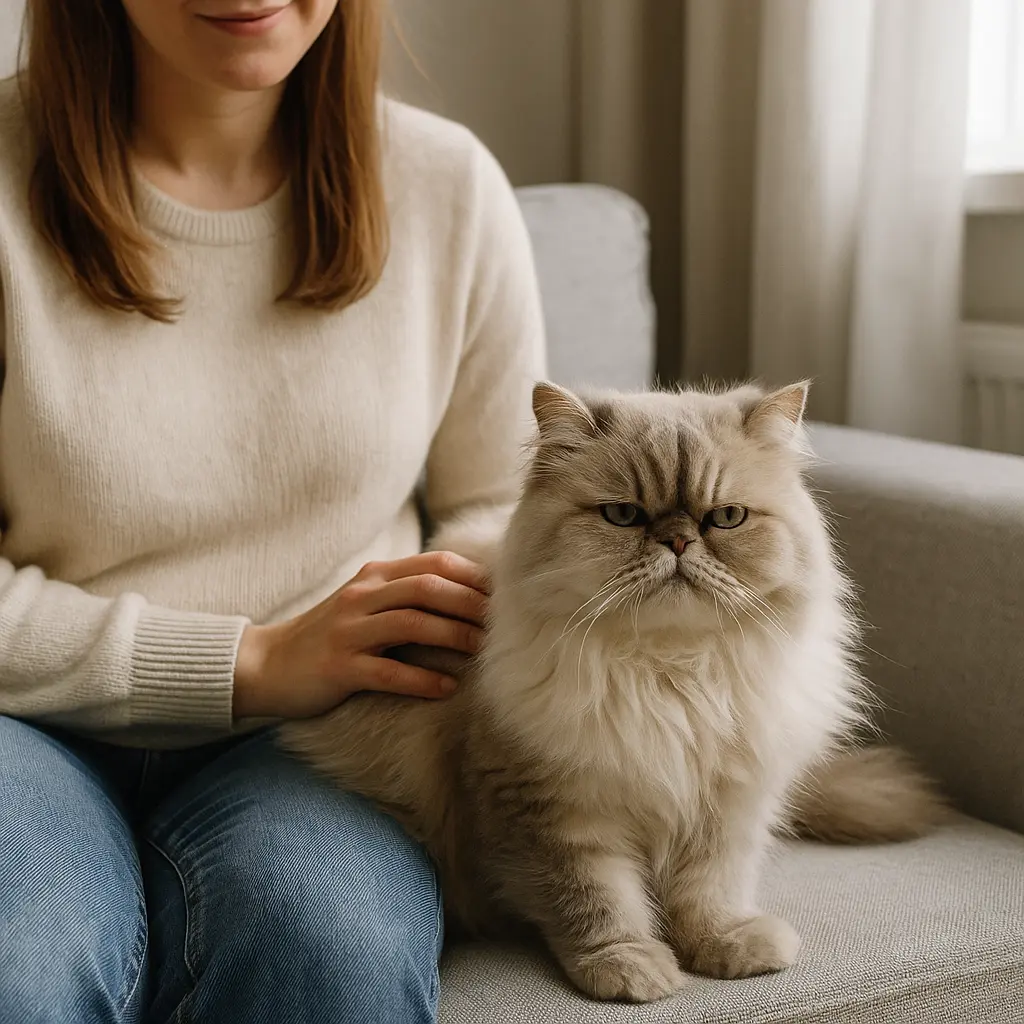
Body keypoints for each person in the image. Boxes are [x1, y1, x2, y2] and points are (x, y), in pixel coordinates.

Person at [0, 1, 545, 1021]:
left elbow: (502, 500)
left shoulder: (448, 186)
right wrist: (249, 660)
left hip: (332, 733)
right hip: (21, 721)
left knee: (329, 952)